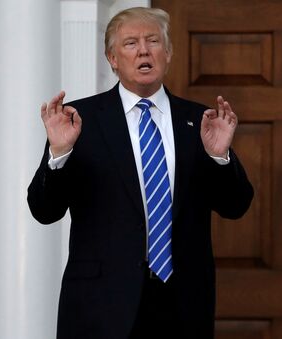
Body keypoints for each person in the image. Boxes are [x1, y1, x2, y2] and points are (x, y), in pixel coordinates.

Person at [27, 7, 253, 339]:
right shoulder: (80, 120)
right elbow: (44, 210)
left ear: (169, 52)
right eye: (131, 43)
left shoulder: (199, 122)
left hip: (182, 305)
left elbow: (236, 206)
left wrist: (219, 157)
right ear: (112, 58)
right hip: (101, 305)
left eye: (153, 41)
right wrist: (59, 153)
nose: (144, 51)